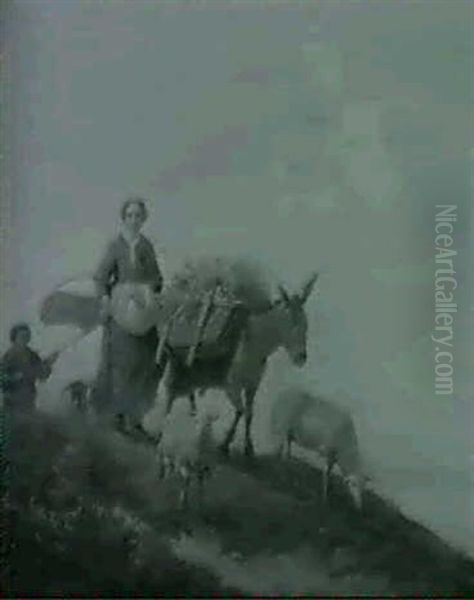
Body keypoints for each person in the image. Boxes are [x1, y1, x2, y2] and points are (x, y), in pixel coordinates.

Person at [92, 197, 164, 435]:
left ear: (144, 219)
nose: (134, 220)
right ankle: (117, 416)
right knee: (122, 364)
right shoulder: (116, 246)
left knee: (144, 363)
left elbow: (157, 278)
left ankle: (135, 418)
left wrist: (148, 289)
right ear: (124, 218)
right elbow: (101, 277)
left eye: (138, 216)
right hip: (121, 310)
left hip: (143, 311)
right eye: (130, 215)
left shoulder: (146, 246)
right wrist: (106, 298)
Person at [0, 323, 59, 413]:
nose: (25, 339)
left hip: (28, 400)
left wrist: (48, 364)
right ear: (14, 338)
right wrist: (14, 377)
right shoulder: (9, 357)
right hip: (12, 401)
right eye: (22, 336)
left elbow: (42, 376)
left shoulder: (32, 355)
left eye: (27, 336)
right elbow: (2, 378)